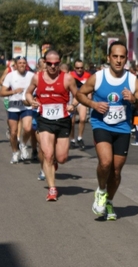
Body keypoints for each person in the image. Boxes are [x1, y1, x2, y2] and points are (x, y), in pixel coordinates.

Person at [76, 41, 138, 220]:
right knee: (105, 162)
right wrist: (93, 104)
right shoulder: (98, 77)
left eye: (122, 57)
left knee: (116, 171)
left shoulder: (132, 80)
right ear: (108, 57)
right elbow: (79, 94)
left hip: (123, 128)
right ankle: (101, 191)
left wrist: (133, 100)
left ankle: (109, 201)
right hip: (101, 125)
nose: (118, 60)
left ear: (126, 59)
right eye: (115, 56)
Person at [25, 49, 78, 201]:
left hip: (62, 120)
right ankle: (52, 189)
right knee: (48, 154)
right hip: (44, 119)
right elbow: (28, 93)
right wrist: (31, 101)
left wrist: (73, 105)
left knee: (61, 158)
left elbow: (78, 95)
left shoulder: (67, 78)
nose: (53, 67)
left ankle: (54, 163)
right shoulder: (37, 77)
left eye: (56, 64)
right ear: (45, 62)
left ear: (60, 63)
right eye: (49, 63)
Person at [0, 56, 34, 163]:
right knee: (13, 133)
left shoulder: (32, 75)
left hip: (26, 105)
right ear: (16, 64)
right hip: (13, 106)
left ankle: (23, 144)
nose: (22, 65)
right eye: (20, 63)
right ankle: (15, 152)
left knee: (28, 128)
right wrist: (13, 92)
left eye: (24, 63)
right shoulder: (10, 76)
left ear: (26, 64)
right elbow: (2, 92)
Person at [69, 59, 91, 150]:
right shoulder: (70, 75)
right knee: (72, 122)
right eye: (77, 68)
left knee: (82, 119)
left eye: (81, 68)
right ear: (74, 68)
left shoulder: (87, 75)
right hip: (72, 99)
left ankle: (80, 138)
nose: (79, 70)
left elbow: (90, 87)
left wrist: (89, 96)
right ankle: (72, 139)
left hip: (82, 99)